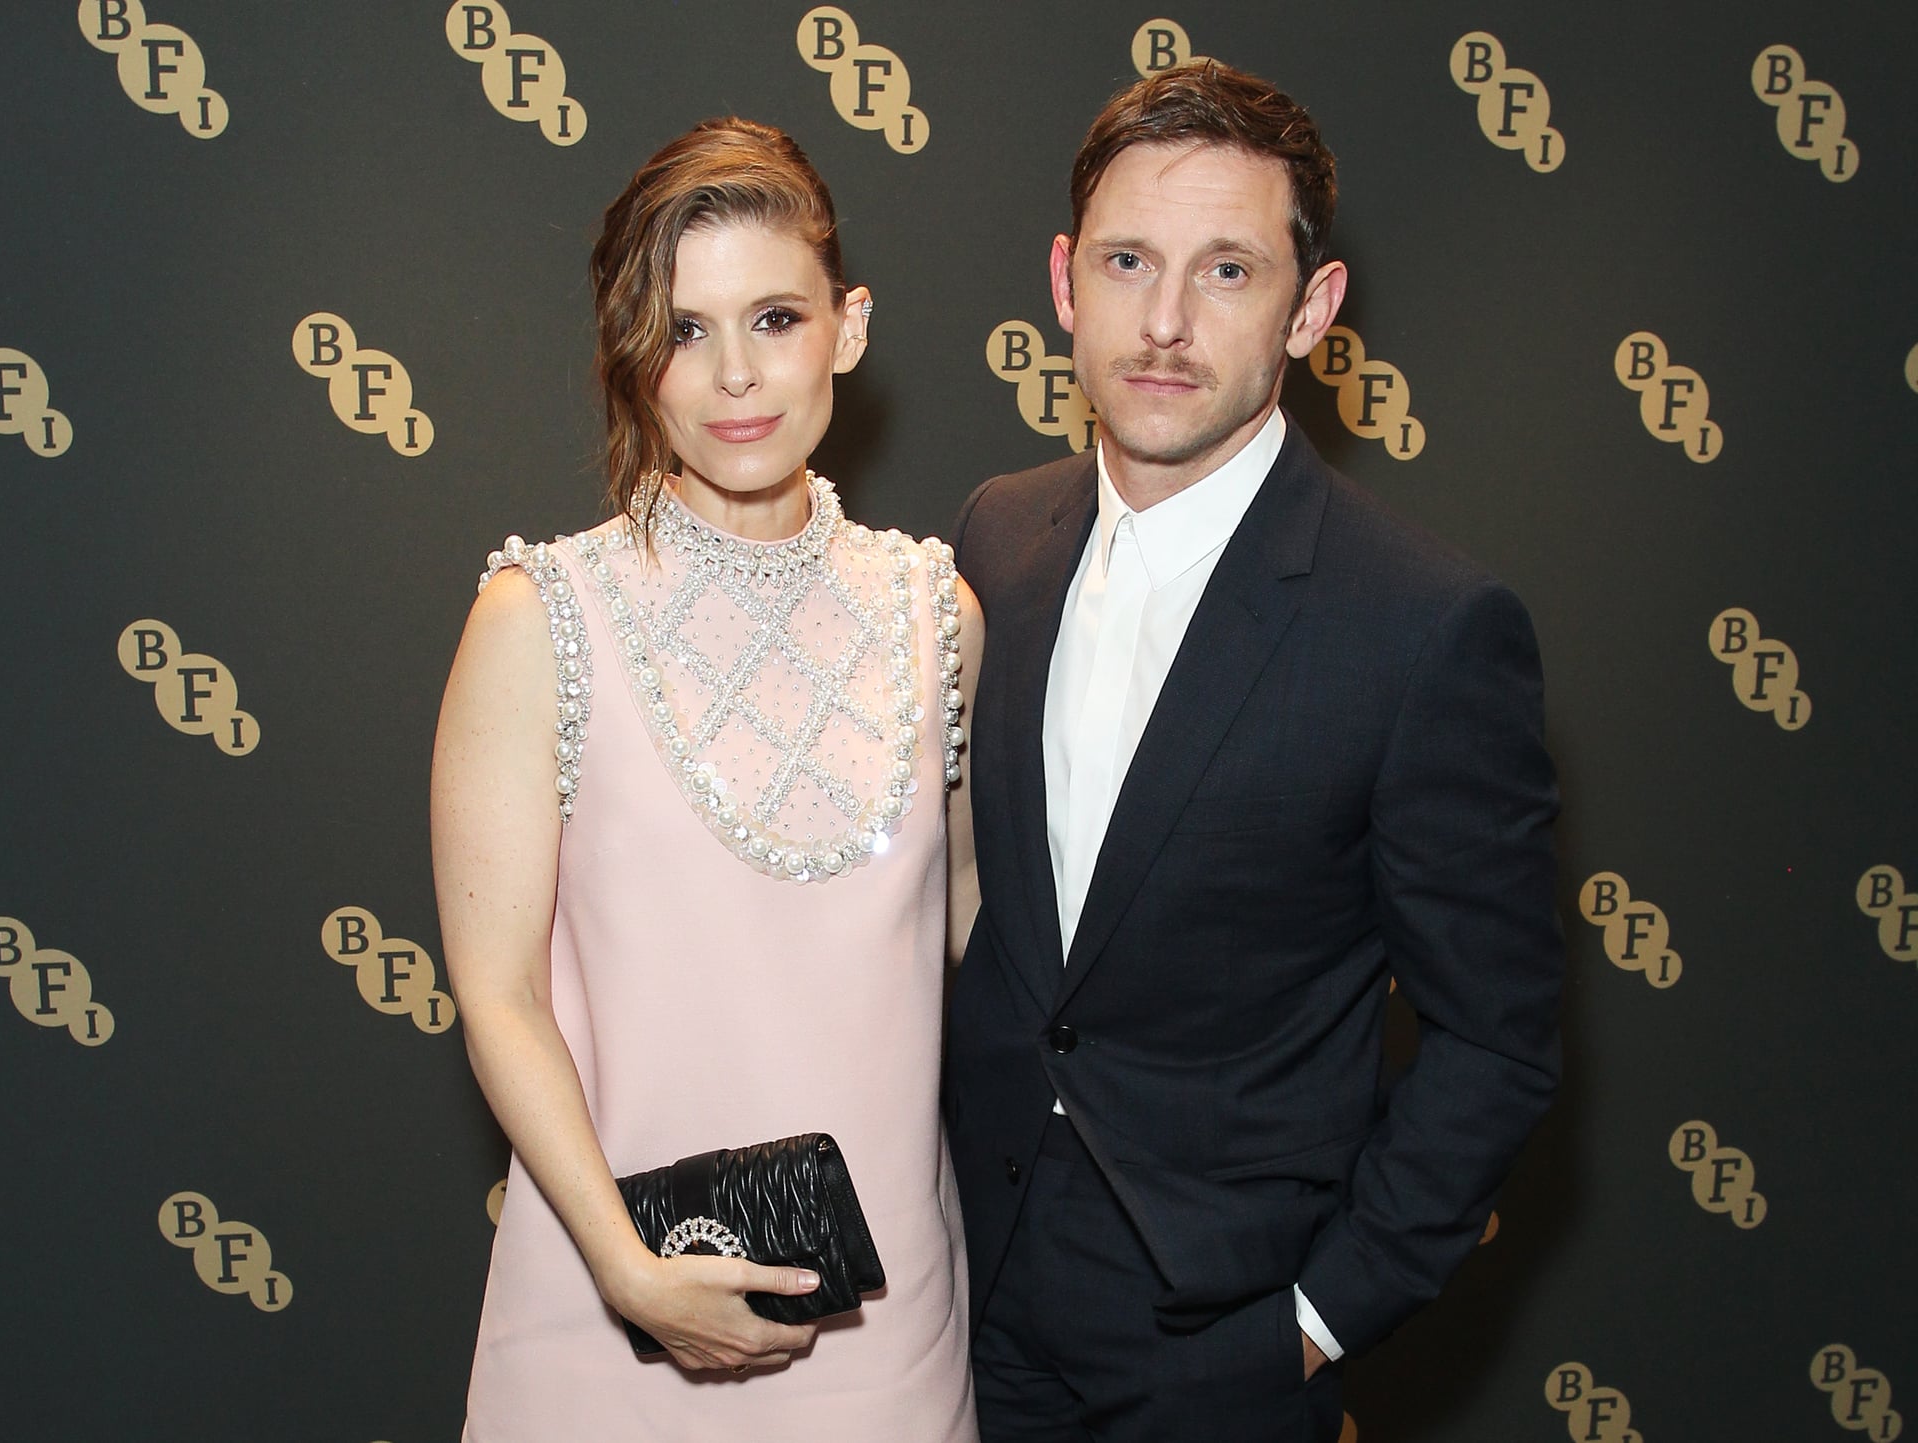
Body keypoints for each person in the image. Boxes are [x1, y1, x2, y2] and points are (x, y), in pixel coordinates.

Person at [946, 60, 1563, 1442]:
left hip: (1211, 1351)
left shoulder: (1427, 626)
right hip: (956, 1300)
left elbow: (1499, 1041)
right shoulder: (993, 534)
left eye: (1227, 271)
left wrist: (1311, 1327)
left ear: (1312, 309)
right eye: (1127, 261)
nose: (1163, 321)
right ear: (1064, 281)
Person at [432, 118, 983, 1442]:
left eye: (776, 317)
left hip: (886, 1330)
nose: (736, 375)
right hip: (607, 1310)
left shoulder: (938, 612)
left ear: (848, 326)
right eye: (684, 331)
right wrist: (630, 1269)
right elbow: (498, 993)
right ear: (633, 355)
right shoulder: (539, 616)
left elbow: (962, 932)